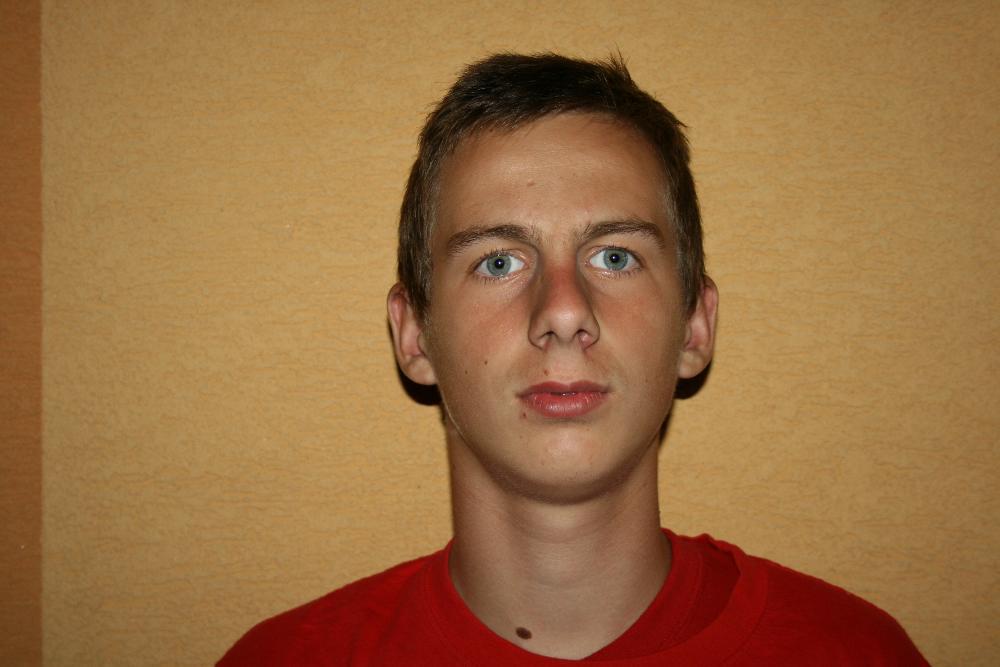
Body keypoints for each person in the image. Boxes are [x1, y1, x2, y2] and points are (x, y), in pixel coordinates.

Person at [219, 53, 927, 665]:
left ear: (694, 325)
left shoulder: (857, 653)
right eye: (499, 261)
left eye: (614, 256)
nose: (563, 311)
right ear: (414, 336)